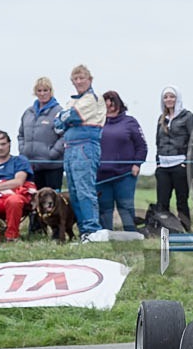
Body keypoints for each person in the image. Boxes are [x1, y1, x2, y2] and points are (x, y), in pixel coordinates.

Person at [54, 64, 108, 243]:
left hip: (86, 147)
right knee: (74, 192)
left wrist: (66, 117)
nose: (78, 82)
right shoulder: (72, 100)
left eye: (82, 78)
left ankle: (92, 229)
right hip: (69, 148)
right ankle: (84, 231)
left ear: (90, 79)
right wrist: (65, 117)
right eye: (75, 79)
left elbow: (74, 116)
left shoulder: (93, 98)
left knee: (85, 190)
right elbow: (58, 124)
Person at [18, 77, 65, 234]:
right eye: (39, 90)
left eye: (46, 90)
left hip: (52, 165)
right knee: (34, 198)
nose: (43, 93)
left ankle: (57, 231)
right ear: (35, 92)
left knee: (53, 200)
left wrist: (53, 153)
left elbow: (64, 135)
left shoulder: (59, 112)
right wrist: (23, 151)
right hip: (32, 165)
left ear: (51, 91)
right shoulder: (28, 113)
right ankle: (36, 230)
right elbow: (21, 135)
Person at [96, 91, 147, 231]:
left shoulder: (130, 122)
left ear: (118, 103)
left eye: (112, 101)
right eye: (105, 102)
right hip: (101, 174)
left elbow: (142, 146)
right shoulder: (96, 122)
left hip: (124, 174)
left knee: (125, 206)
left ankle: (131, 234)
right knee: (104, 207)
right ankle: (106, 235)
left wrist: (137, 163)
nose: (109, 105)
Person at [155, 86, 193, 232]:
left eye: (171, 96)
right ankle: (164, 230)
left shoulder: (188, 116)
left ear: (177, 98)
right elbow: (158, 142)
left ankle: (185, 229)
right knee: (162, 201)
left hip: (180, 164)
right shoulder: (162, 119)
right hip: (163, 166)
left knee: (181, 200)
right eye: (165, 97)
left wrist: (187, 161)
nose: (169, 100)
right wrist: (158, 163)